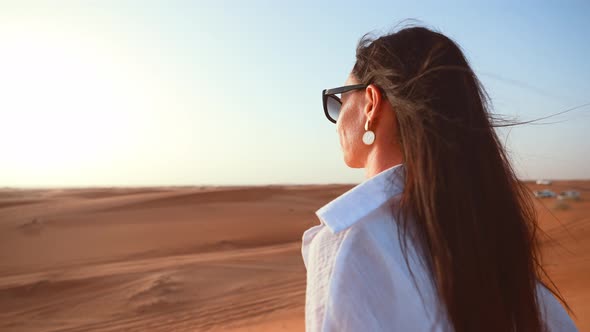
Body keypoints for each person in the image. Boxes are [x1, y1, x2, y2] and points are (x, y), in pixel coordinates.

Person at [301, 25, 578, 332]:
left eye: (338, 102)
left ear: (370, 103)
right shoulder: (487, 241)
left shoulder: (352, 245)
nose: (337, 120)